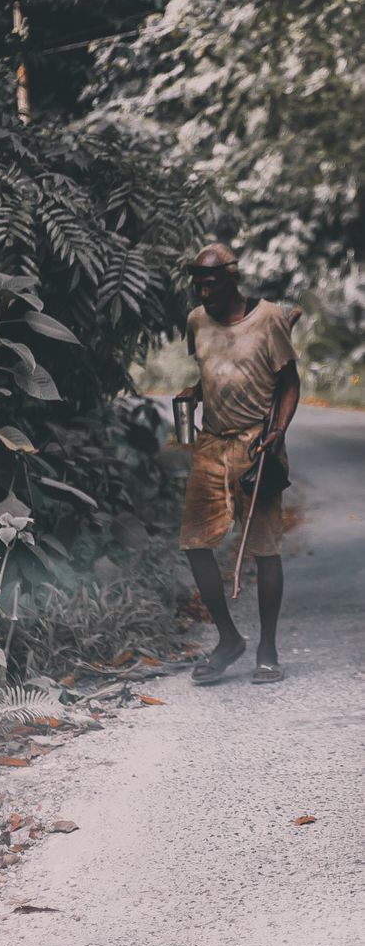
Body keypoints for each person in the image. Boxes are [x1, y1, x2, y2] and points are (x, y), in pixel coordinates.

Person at [175, 243, 300, 685]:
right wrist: (196, 391)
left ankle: (267, 650)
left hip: (257, 445)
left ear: (232, 280)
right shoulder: (196, 321)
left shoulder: (268, 319)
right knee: (195, 543)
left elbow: (289, 383)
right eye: (198, 283)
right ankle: (229, 639)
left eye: (211, 282)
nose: (203, 290)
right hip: (211, 443)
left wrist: (277, 431)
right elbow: (217, 369)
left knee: (265, 547)